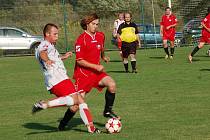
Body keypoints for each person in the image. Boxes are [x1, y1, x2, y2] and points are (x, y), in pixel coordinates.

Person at [32, 23, 100, 133]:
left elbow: (53, 58)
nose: (57, 36)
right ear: (47, 34)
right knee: (79, 100)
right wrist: (46, 60)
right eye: (55, 34)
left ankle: (62, 125)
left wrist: (64, 57)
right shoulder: (45, 44)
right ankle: (45, 104)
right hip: (58, 78)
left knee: (75, 104)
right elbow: (42, 53)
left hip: (56, 79)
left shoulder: (50, 45)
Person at [58, 13, 120, 131]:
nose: (96, 26)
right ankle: (63, 123)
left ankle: (107, 111)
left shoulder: (101, 35)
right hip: (83, 75)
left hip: (96, 74)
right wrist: (96, 67)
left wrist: (104, 57)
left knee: (112, 85)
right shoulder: (81, 40)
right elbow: (79, 61)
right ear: (87, 24)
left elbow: (101, 47)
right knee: (76, 105)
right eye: (93, 24)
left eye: (97, 24)